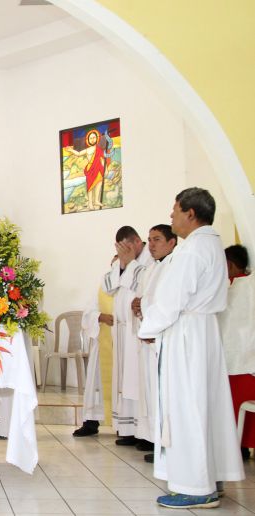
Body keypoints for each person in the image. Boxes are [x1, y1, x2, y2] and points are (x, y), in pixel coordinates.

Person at [138, 187, 244, 508]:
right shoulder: (212, 244)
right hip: (204, 333)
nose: (171, 216)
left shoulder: (190, 251)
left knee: (187, 409)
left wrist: (148, 327)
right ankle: (211, 476)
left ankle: (196, 486)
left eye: (175, 210)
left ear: (191, 214)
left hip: (186, 336)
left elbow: (171, 301)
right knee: (205, 405)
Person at [130, 224, 177, 462]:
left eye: (157, 239)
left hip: (162, 337)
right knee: (151, 391)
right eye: (149, 240)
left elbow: (168, 301)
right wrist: (136, 304)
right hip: (149, 335)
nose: (152, 244)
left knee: (162, 393)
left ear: (172, 242)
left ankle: (165, 444)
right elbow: (143, 296)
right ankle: (155, 440)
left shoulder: (174, 266)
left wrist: (145, 310)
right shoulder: (151, 268)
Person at [102, 226, 152, 445]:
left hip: (138, 330)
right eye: (121, 248)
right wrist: (122, 264)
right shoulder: (123, 262)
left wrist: (129, 263)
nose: (125, 251)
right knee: (125, 381)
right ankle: (128, 429)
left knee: (138, 381)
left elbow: (138, 283)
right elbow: (109, 287)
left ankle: (144, 433)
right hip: (122, 331)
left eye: (129, 247)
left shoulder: (150, 261)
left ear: (138, 242)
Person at [217, 244, 255, 461]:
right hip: (248, 356)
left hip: (232, 358)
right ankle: (244, 445)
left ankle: (236, 446)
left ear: (229, 265)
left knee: (234, 405)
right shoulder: (250, 283)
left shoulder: (228, 287)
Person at [73, 258, 116, 437]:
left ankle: (126, 426)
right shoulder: (102, 287)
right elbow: (88, 314)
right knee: (96, 382)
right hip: (104, 342)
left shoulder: (134, 286)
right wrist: (100, 317)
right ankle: (91, 421)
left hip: (125, 346)